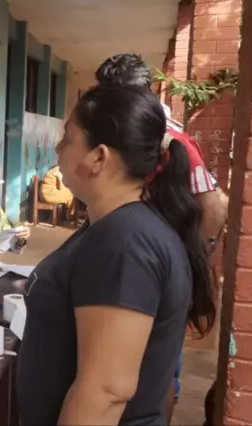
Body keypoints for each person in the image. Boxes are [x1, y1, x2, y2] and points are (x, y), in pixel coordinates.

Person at [17, 84, 216, 425]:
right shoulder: (117, 228)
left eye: (68, 138)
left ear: (99, 157)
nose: (57, 148)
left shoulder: (125, 242)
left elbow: (106, 391)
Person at [96, 53, 229, 421]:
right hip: (126, 262)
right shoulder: (121, 132)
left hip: (155, 268)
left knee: (157, 369)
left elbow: (214, 206)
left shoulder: (171, 139)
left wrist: (184, 257)